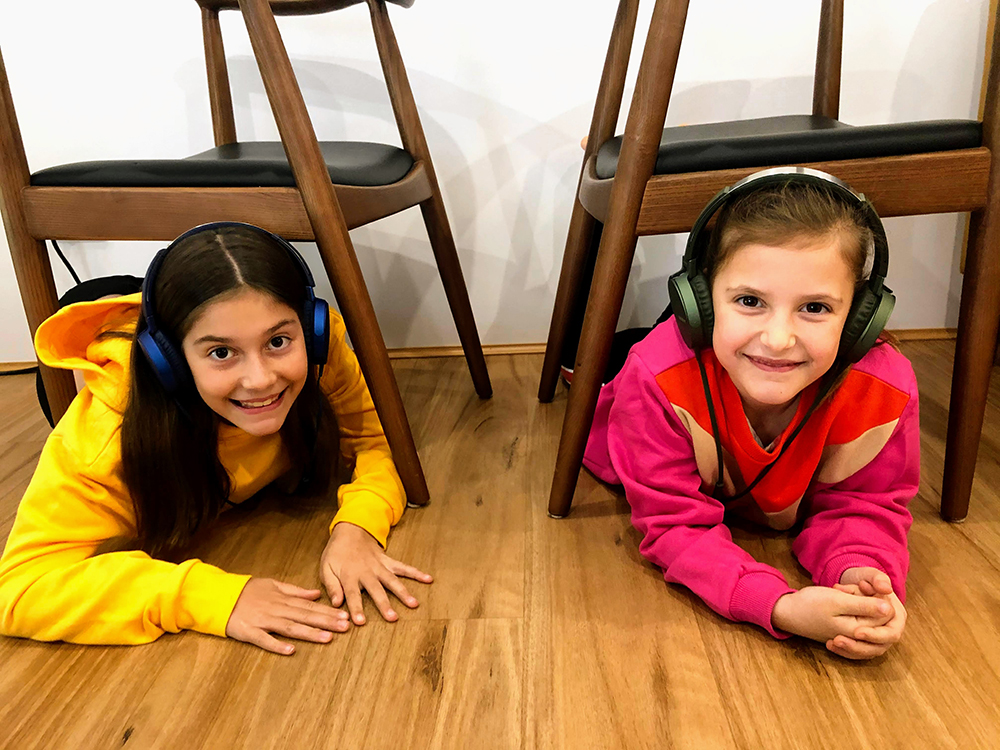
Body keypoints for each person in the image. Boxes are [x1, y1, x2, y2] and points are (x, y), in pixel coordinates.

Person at [0, 222, 432, 655]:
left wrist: (359, 526)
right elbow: (20, 586)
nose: (261, 379)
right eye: (221, 352)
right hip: (112, 351)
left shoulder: (323, 350)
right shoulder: (102, 439)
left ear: (311, 330)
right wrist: (203, 596)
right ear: (168, 361)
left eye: (278, 341)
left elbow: (377, 442)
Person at [584, 168, 917, 660]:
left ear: (860, 320)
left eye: (816, 308)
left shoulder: (882, 388)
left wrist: (861, 575)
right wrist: (778, 605)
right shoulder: (655, 378)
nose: (779, 338)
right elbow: (675, 526)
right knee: (621, 361)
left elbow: (865, 504)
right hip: (641, 397)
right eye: (749, 301)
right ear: (701, 303)